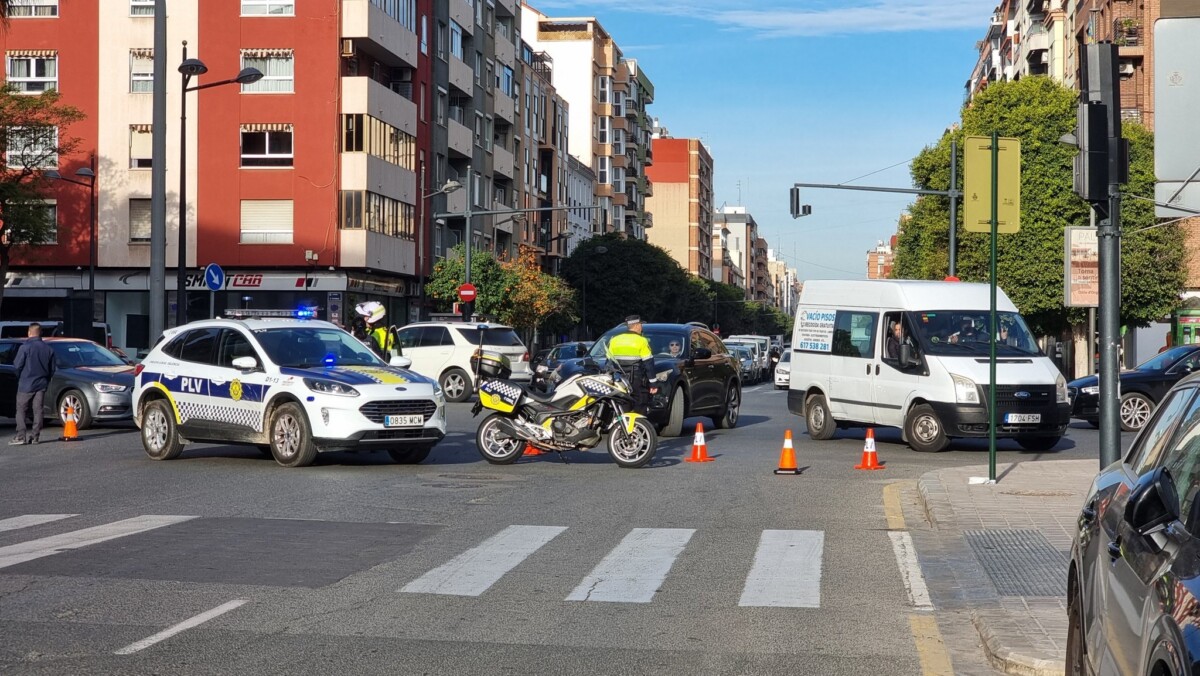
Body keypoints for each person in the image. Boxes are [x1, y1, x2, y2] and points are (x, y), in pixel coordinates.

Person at [11, 323, 56, 445]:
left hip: (26, 383)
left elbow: (17, 366)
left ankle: (21, 436)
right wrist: (46, 379)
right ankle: (35, 436)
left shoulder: (25, 348)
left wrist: (19, 376)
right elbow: (52, 369)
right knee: (38, 410)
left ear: (29, 333)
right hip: (41, 384)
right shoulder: (48, 349)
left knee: (21, 410)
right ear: (40, 333)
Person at [608, 315, 656, 415]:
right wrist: (653, 384)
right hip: (636, 379)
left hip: (618, 379)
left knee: (621, 403)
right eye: (641, 325)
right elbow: (649, 363)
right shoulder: (641, 340)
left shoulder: (614, 340)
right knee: (638, 405)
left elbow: (608, 362)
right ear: (637, 326)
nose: (641, 327)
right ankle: (635, 427)